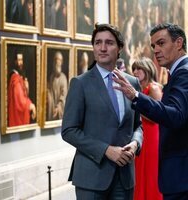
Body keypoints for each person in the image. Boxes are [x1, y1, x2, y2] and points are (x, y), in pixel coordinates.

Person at [61, 23, 143, 200]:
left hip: (125, 177)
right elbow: (69, 131)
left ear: (120, 48)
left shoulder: (133, 83)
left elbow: (138, 126)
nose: (103, 48)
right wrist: (106, 150)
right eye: (98, 43)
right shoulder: (80, 84)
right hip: (91, 178)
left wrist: (135, 144)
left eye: (109, 43)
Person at [113, 23, 188, 200]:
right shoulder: (178, 72)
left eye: (161, 43)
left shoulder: (183, 73)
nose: (156, 50)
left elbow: (176, 116)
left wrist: (136, 96)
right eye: (153, 46)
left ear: (179, 43)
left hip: (181, 173)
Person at [131, 57, 163, 200]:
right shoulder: (138, 88)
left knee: (150, 172)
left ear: (147, 69)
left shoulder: (154, 87)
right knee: (139, 172)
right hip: (140, 133)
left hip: (151, 135)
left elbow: (157, 116)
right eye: (134, 69)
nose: (135, 72)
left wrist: (135, 107)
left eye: (139, 69)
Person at [8, 52, 36, 127]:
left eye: (21, 60)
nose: (20, 63)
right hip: (17, 117)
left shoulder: (19, 77)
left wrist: (26, 87)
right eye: (18, 60)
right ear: (15, 61)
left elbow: (24, 95)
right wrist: (31, 105)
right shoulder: (15, 78)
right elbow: (20, 100)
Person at [47, 51, 68, 121]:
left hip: (59, 111)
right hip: (52, 109)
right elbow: (50, 91)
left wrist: (58, 107)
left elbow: (64, 95)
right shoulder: (52, 77)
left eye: (59, 60)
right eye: (56, 59)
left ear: (61, 62)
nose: (57, 62)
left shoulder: (63, 78)